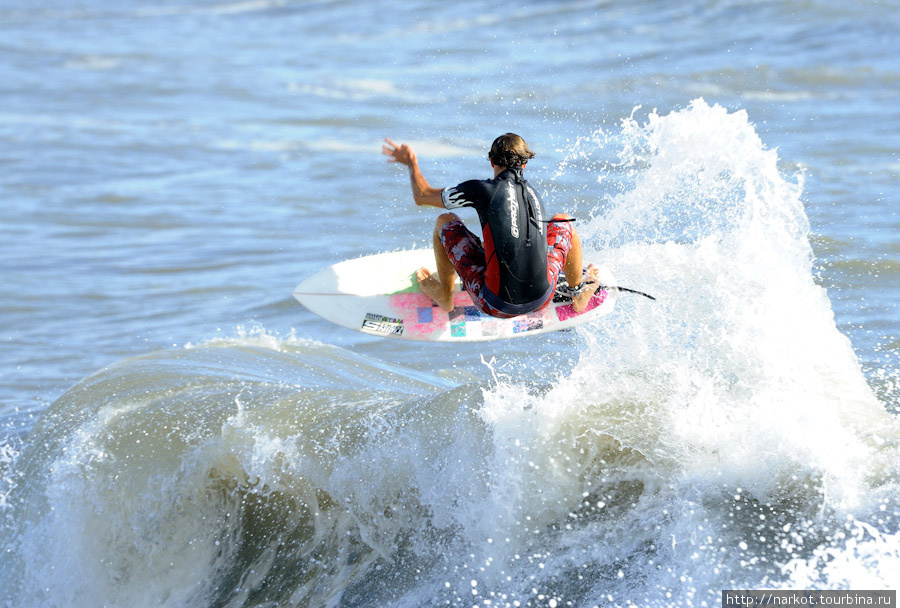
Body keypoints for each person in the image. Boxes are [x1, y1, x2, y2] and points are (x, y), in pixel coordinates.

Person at [382, 133, 599, 318]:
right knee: (562, 221)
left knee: (445, 222)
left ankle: (445, 297)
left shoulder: (481, 190)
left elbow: (422, 196)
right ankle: (578, 292)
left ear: (491, 161)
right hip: (543, 298)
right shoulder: (533, 194)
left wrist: (412, 163)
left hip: (495, 304)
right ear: (524, 164)